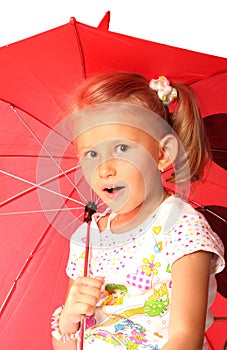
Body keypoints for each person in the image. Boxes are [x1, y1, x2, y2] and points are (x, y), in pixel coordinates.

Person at [51, 73, 225, 350]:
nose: (105, 168)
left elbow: (186, 338)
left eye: (121, 148)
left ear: (163, 154)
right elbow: (69, 346)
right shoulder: (88, 238)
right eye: (91, 154)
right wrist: (69, 321)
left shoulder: (183, 229)